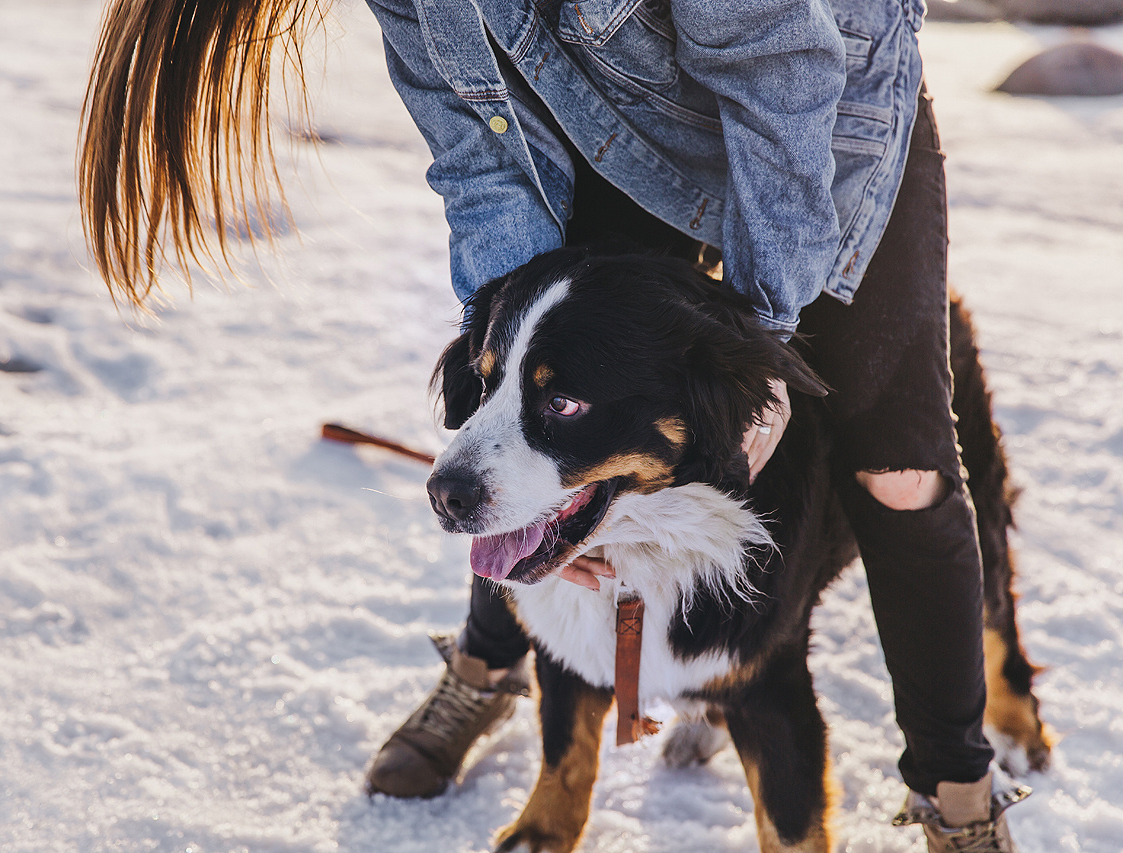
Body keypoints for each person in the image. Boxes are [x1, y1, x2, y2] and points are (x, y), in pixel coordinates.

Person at [79, 1, 1032, 850]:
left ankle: (956, 789)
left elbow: (779, 77)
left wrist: (759, 351)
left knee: (896, 472)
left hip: (827, 125)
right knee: (520, 430)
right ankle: (493, 663)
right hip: (622, 127)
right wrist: (513, 324)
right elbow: (476, 154)